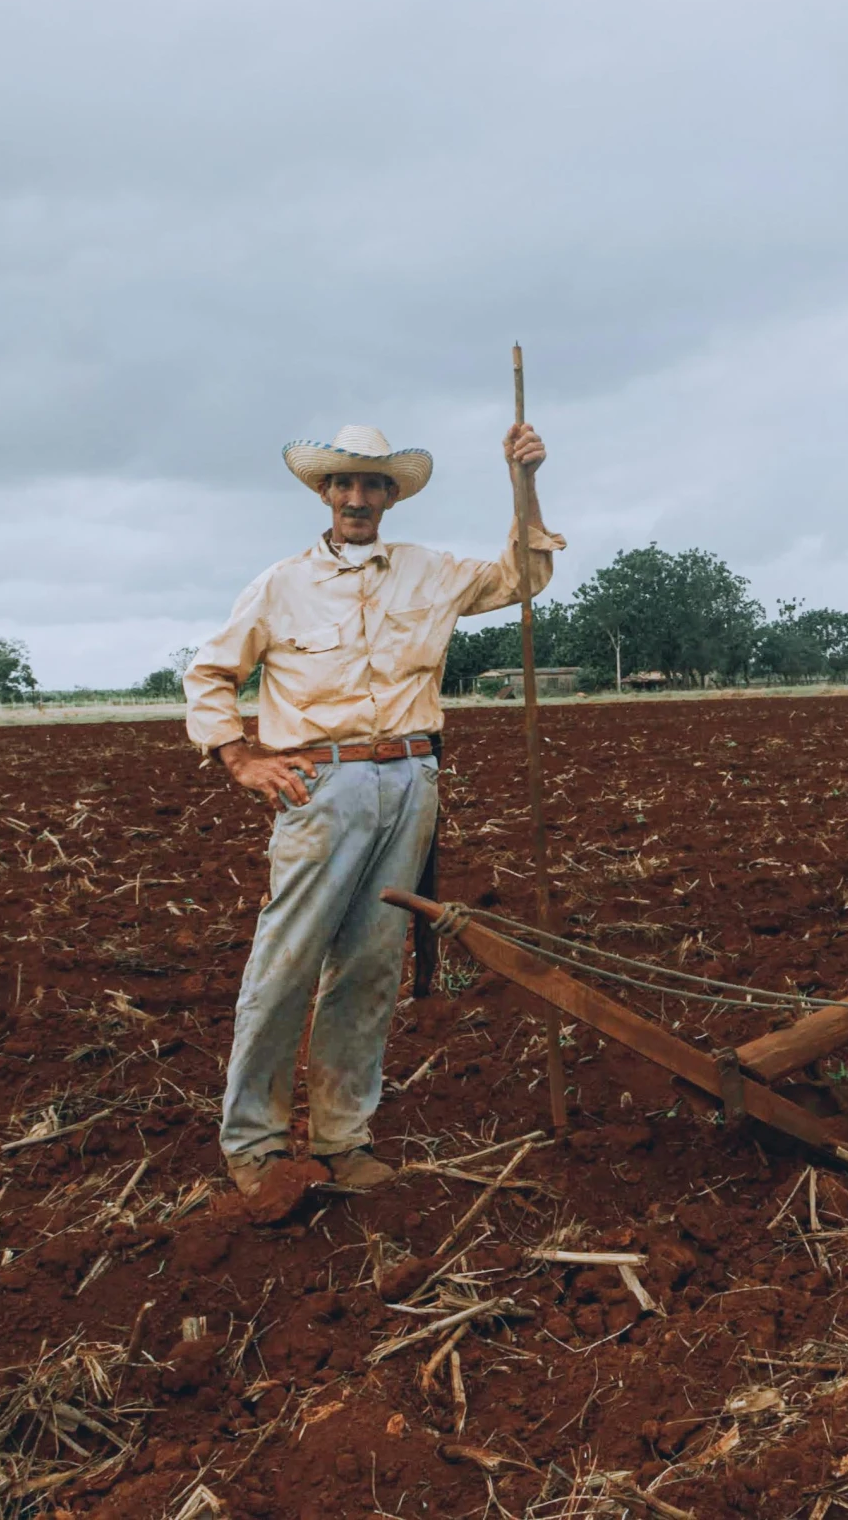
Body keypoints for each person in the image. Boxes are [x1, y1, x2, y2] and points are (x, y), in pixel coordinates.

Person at [184, 422, 560, 1197]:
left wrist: (523, 482)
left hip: (411, 780)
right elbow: (211, 674)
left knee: (371, 964)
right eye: (344, 484)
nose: (358, 497)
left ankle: (341, 1136)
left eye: (374, 485)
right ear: (324, 494)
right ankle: (254, 1145)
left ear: (392, 497)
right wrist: (240, 756)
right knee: (286, 962)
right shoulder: (279, 584)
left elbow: (522, 578)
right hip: (322, 787)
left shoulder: (430, 572)